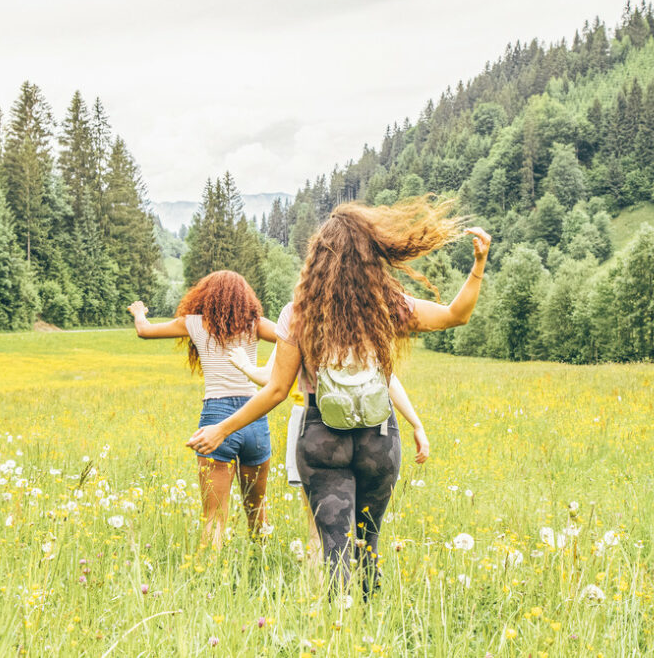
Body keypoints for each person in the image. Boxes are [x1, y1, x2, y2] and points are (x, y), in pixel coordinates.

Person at [186, 197, 491, 591]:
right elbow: (455, 315)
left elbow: (277, 389)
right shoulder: (386, 306)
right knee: (368, 543)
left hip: (321, 437)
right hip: (378, 437)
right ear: (371, 255)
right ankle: (367, 623)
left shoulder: (298, 314)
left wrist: (222, 429)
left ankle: (335, 629)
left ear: (317, 259)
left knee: (334, 550)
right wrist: (478, 265)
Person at [227, 347, 429, 564]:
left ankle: (322, 593)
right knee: (362, 529)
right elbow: (386, 378)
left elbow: (272, 378)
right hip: (367, 425)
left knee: (319, 527)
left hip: (313, 423)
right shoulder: (365, 317)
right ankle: (361, 592)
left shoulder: (297, 315)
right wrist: (416, 424)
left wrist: (245, 366)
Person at [128, 270, 278, 549]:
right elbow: (290, 337)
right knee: (257, 511)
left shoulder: (194, 323)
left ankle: (210, 582)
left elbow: (144, 330)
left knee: (214, 517)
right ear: (246, 298)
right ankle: (263, 566)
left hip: (215, 418)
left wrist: (139, 312)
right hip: (255, 417)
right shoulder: (254, 324)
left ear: (205, 296)